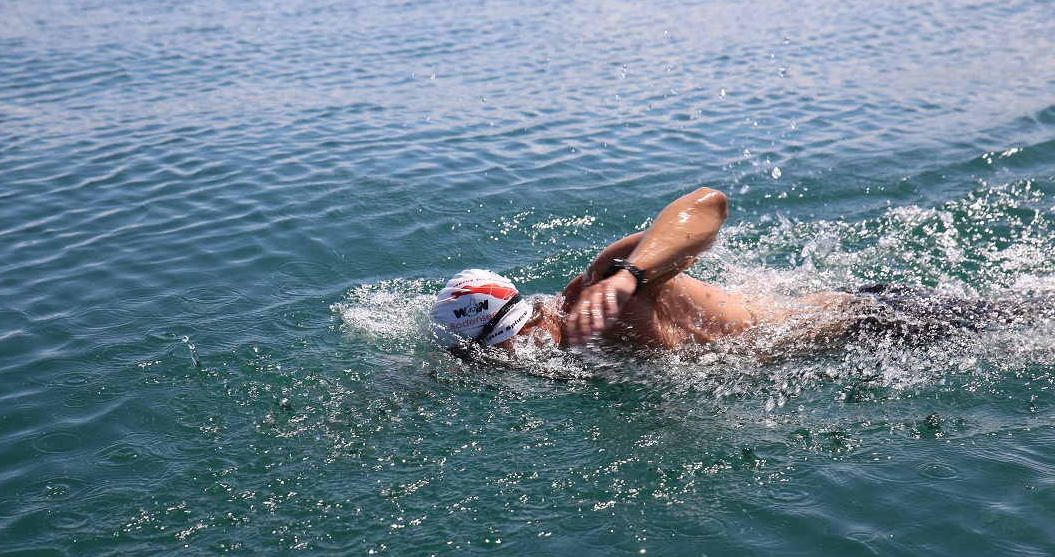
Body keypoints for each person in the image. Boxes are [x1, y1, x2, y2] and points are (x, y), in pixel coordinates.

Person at [427, 187, 1015, 359]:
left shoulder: (599, 287)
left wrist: (631, 275)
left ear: (525, 320)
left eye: (508, 345)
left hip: (875, 322)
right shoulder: (563, 346)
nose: (511, 359)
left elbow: (709, 205)